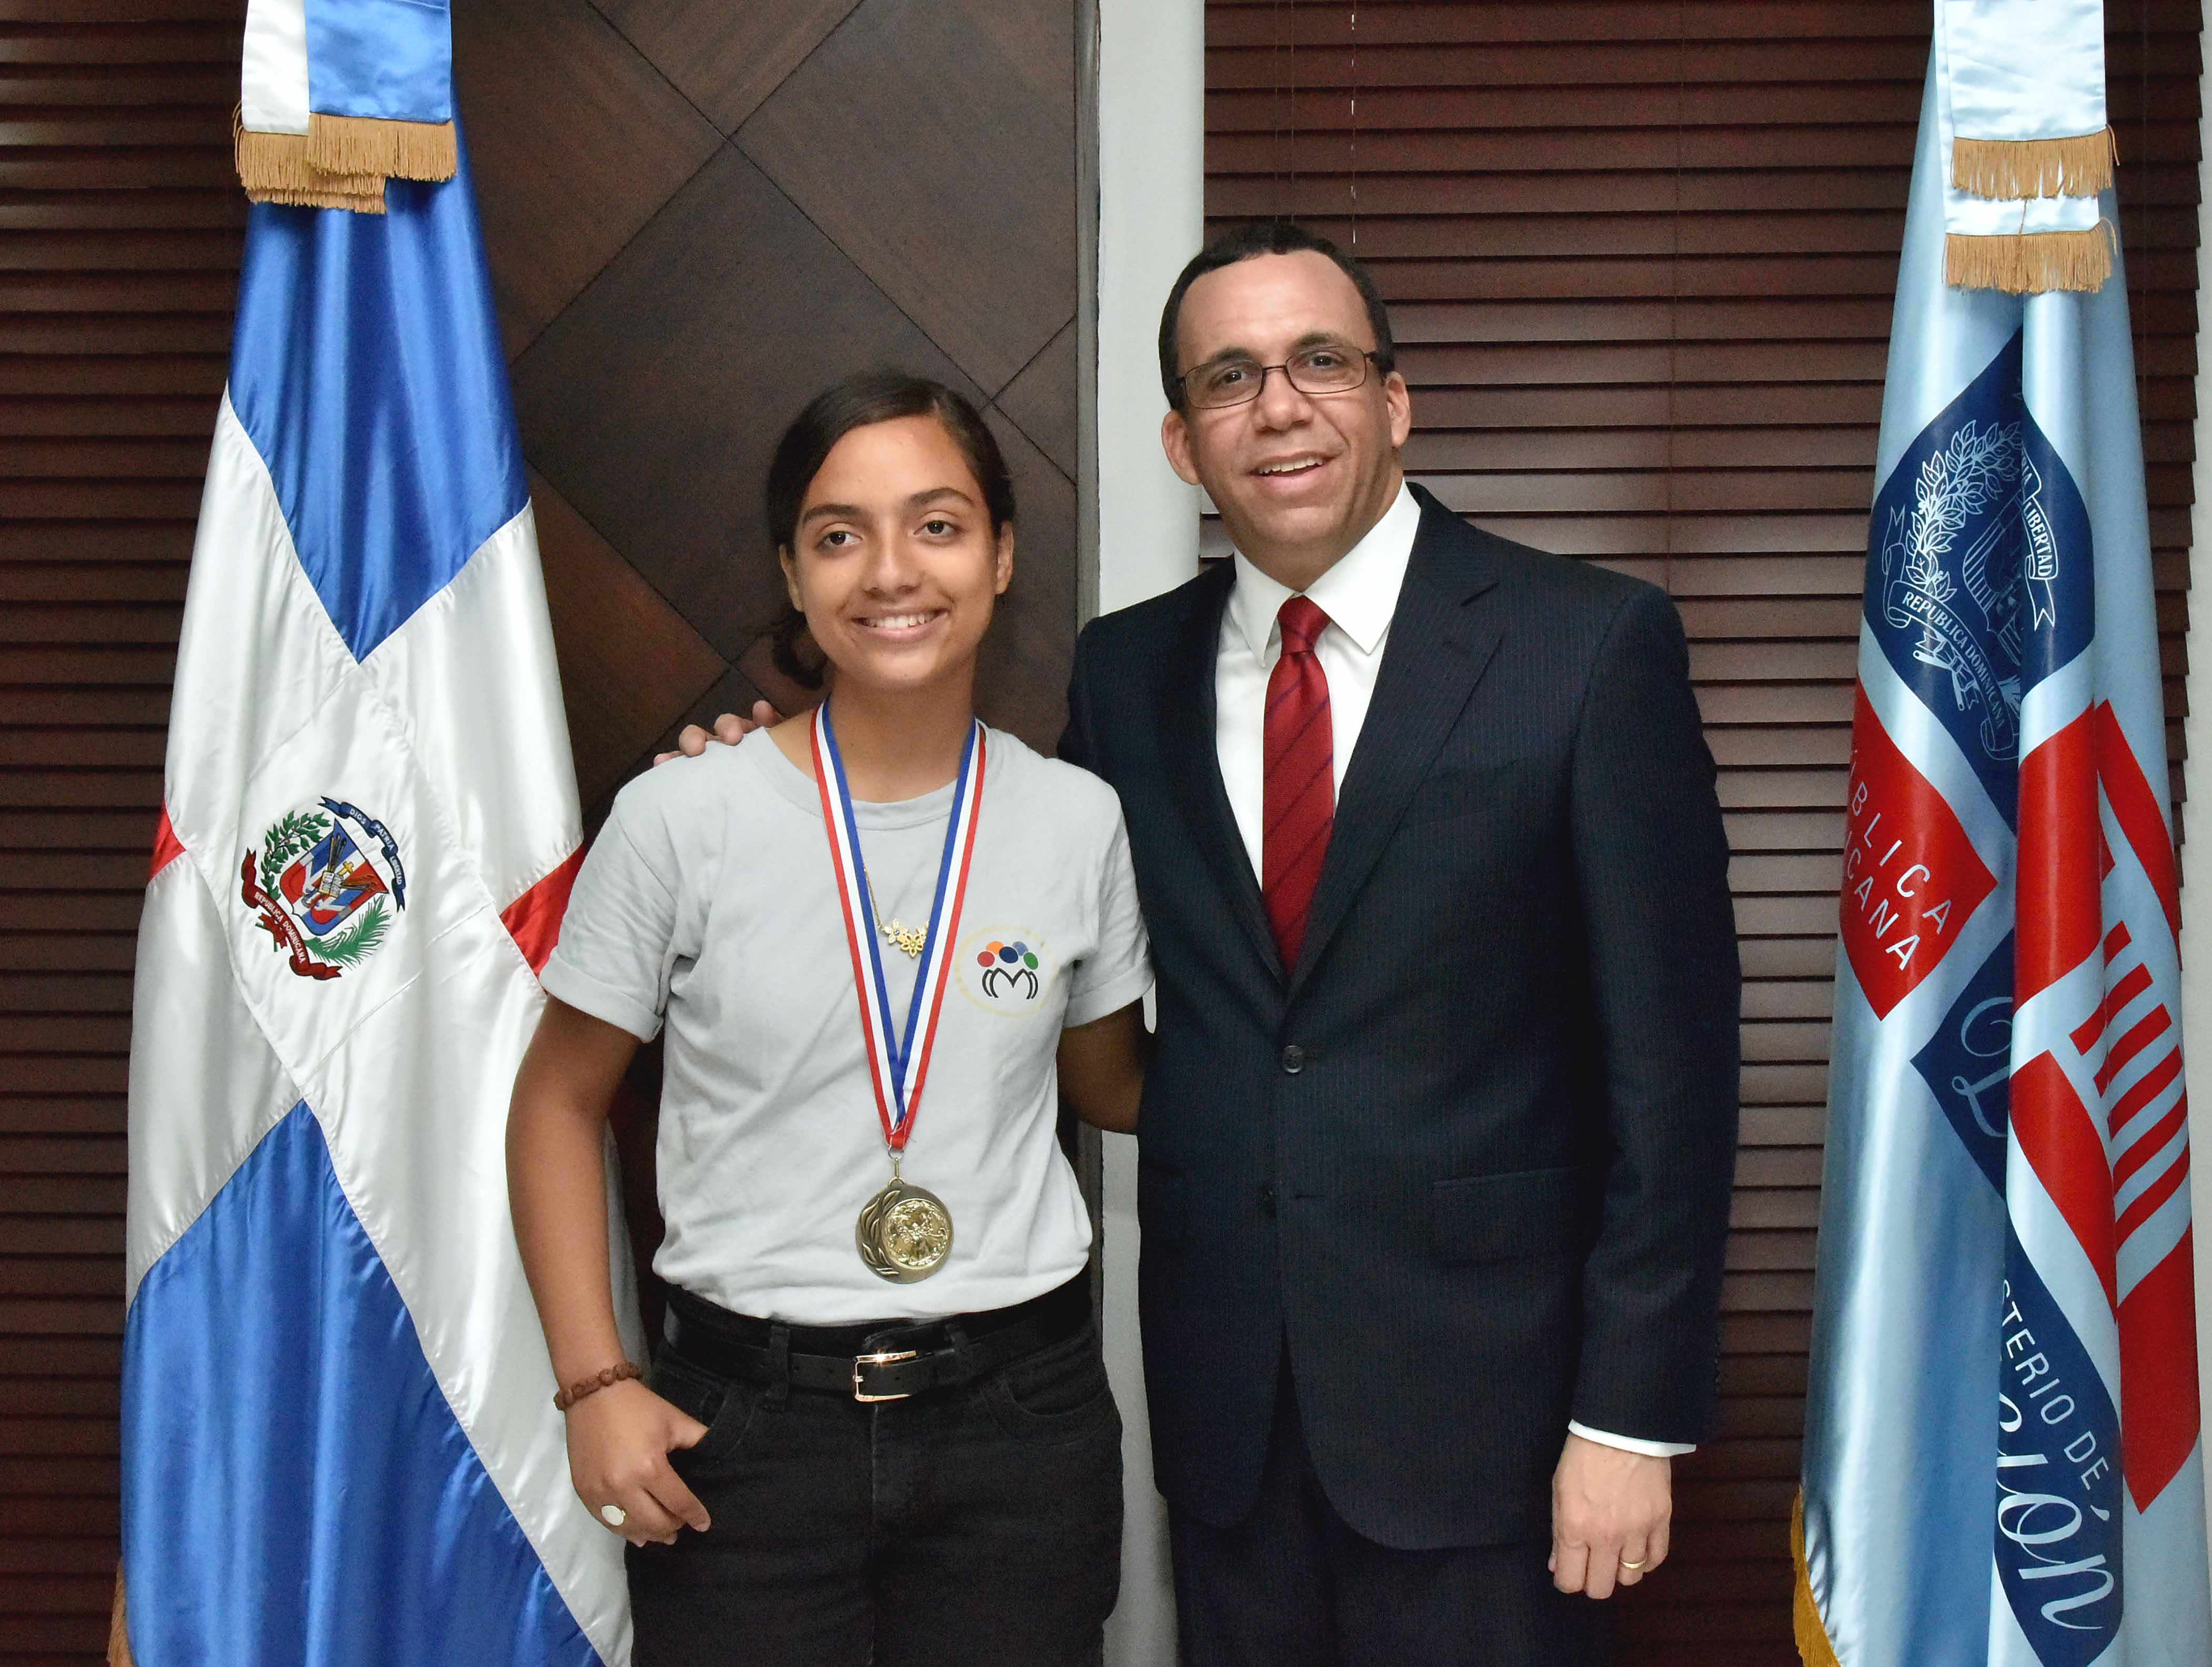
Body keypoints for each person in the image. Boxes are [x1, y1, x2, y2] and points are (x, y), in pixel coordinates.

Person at [680, 223, 1742, 1665]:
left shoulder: (1586, 646)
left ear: (1395, 400)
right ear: (1184, 442)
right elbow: (1002, 887)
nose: (1279, 405)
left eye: (1319, 361)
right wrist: (764, 772)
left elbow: (1671, 1074)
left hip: (1497, 1437)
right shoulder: (1127, 676)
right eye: (1230, 378)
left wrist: (1626, 1415)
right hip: (1231, 1439)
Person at [507, 371, 1154, 1667]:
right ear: (793, 578)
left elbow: (1110, 1084)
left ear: (1001, 552)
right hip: (743, 1433)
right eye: (839, 534)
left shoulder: (1079, 819)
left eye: (938, 523)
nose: (891, 571)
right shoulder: (682, 816)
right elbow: (556, 1102)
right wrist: (594, 1386)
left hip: (1015, 1426)